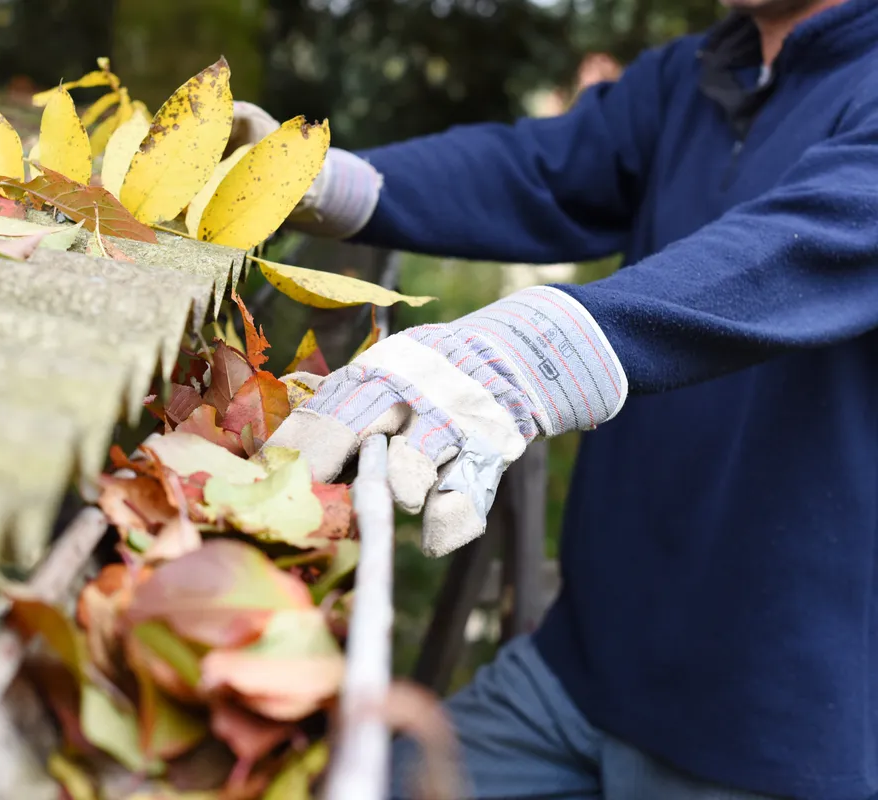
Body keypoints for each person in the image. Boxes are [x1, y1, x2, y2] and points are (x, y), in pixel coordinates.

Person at [237, 0, 878, 798]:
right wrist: (323, 180)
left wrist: (531, 352)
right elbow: (536, 170)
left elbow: (808, 244)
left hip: (772, 733)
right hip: (578, 670)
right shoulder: (696, 77)